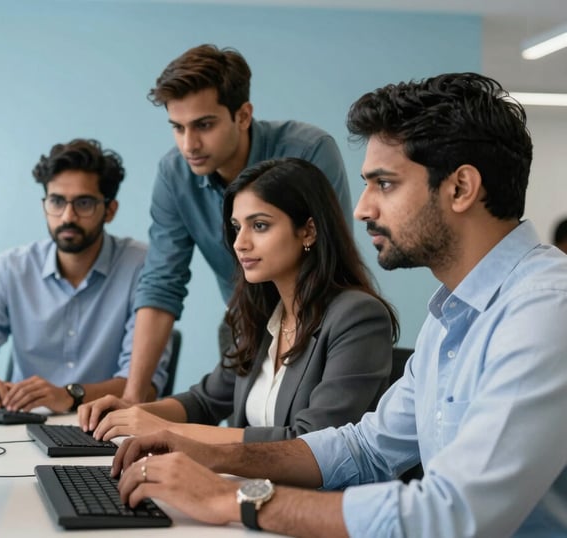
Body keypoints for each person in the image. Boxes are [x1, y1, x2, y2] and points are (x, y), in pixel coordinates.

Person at [111, 73, 567, 537]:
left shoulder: (544, 312)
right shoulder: (450, 317)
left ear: (460, 188)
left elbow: (451, 514)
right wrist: (206, 451)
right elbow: (365, 448)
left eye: (384, 184)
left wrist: (230, 498)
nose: (361, 208)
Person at [80, 158, 398, 444]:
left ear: (309, 231)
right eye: (236, 227)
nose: (240, 243)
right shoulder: (260, 315)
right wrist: (132, 412)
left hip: (316, 505)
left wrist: (165, 431)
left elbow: (310, 442)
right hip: (247, 491)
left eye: (259, 226)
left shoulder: (358, 317)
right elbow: (205, 402)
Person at [113, 43, 353, 404]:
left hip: (316, 321)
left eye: (203, 125)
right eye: (177, 128)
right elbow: (162, 284)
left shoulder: (309, 151)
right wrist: (132, 402)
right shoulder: (174, 174)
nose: (188, 144)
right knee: (234, 434)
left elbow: (329, 258)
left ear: (242, 115)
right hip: (245, 323)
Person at [0, 138, 171, 413]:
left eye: (83, 203)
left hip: (105, 428)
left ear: (110, 210)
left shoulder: (142, 266)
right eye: (56, 201)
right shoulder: (11, 268)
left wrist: (70, 395)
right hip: (19, 427)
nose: (67, 216)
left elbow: (145, 388)